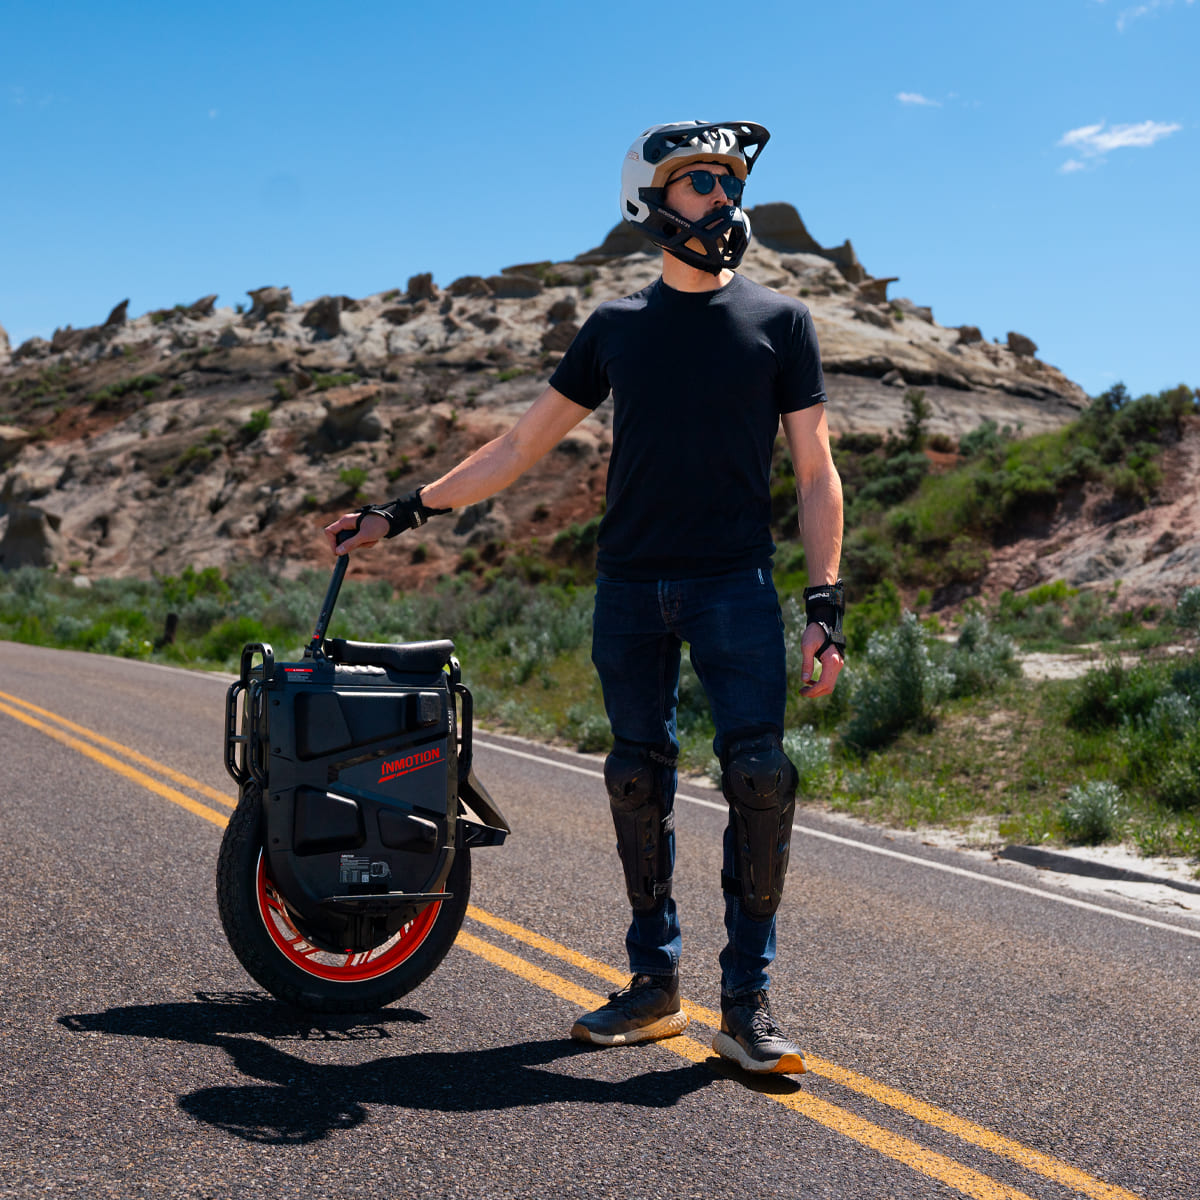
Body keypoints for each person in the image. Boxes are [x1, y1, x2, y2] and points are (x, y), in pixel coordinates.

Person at [324, 119, 845, 1075]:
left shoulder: (782, 323)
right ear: (650, 202)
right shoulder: (615, 328)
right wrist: (399, 514)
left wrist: (824, 602)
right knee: (636, 777)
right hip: (630, 585)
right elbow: (520, 450)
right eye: (700, 183)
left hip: (735, 584)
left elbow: (816, 472)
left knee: (761, 778)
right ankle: (654, 987)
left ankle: (747, 1003)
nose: (724, 200)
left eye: (731, 184)